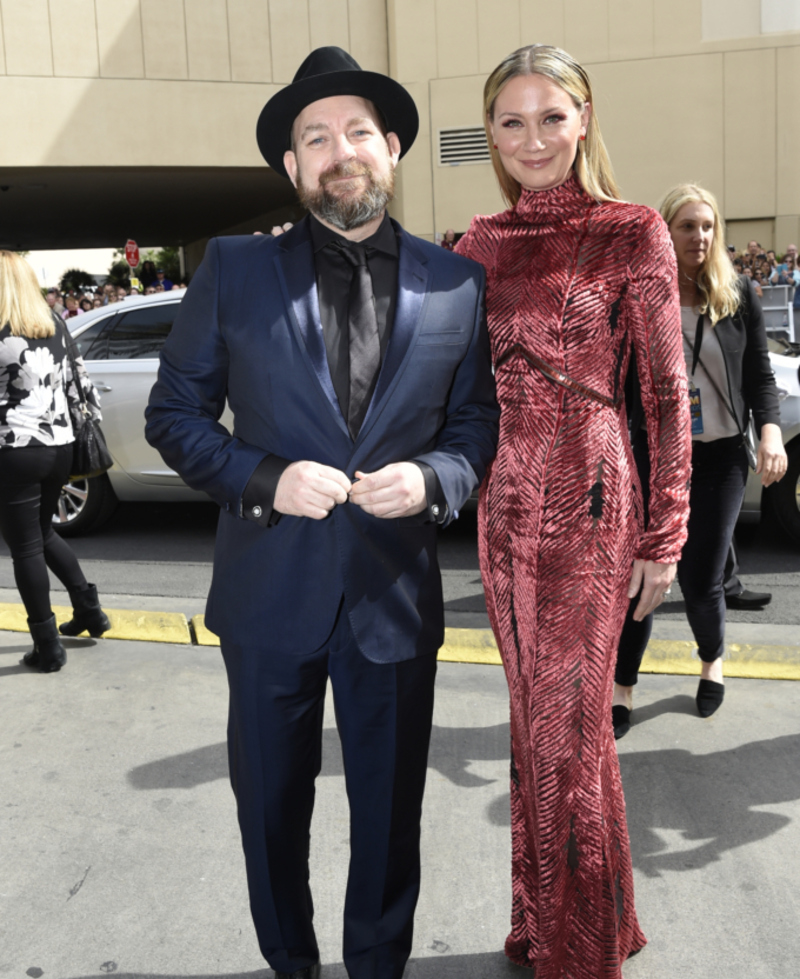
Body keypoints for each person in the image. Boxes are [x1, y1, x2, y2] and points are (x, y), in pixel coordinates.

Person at [145, 46, 498, 979]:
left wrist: (433, 481)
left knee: (388, 819)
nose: (339, 150)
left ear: (390, 149)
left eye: (356, 132)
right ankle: (291, 966)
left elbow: (473, 427)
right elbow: (173, 416)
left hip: (392, 599)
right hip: (268, 596)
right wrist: (264, 477)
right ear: (293, 168)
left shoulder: (456, 284)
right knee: (268, 810)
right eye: (314, 137)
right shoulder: (231, 269)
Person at [454, 45, 692, 978]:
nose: (533, 139)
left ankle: (580, 951)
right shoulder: (476, 244)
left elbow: (669, 396)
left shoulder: (634, 232)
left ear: (584, 118)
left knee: (571, 728)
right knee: (536, 727)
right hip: (502, 509)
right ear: (493, 137)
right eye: (511, 123)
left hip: (592, 502)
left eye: (551, 116)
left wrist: (665, 533)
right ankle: (556, 918)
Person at [612, 183, 786, 737]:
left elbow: (760, 375)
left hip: (721, 459)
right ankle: (623, 687)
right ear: (665, 231)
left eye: (708, 226)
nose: (700, 236)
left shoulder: (737, 293)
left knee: (702, 579)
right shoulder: (639, 297)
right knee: (639, 580)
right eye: (687, 225)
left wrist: (772, 435)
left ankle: (711, 661)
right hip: (654, 455)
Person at [0, 251, 110, 673]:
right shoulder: (54, 325)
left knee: (24, 546)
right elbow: (80, 383)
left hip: (14, 451)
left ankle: (47, 647)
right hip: (60, 447)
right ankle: (89, 611)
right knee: (43, 533)